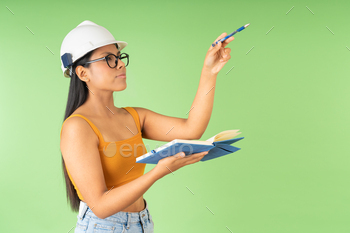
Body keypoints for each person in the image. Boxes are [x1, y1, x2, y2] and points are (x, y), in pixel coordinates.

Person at [59, 20, 233, 233]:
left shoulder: (134, 116)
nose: (120, 64)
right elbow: (101, 206)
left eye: (119, 57)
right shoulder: (77, 127)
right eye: (109, 59)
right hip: (103, 227)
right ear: (82, 73)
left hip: (142, 222)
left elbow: (191, 130)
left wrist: (209, 72)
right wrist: (159, 171)